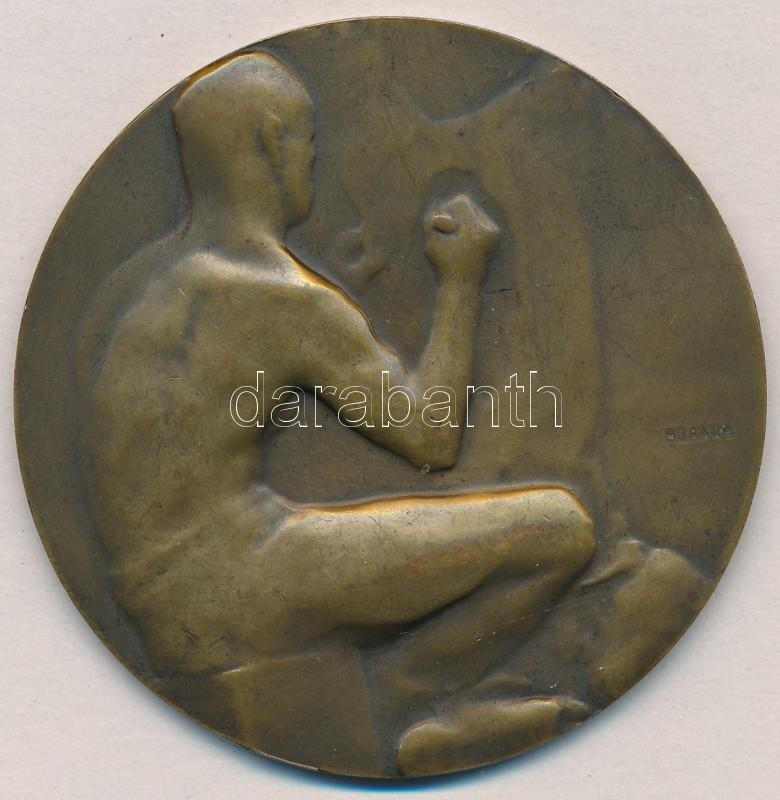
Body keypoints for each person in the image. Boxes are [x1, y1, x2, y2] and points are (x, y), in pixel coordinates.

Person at [79, 51, 595, 775]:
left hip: (154, 604)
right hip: (243, 582)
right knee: (561, 529)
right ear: (271, 143)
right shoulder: (280, 298)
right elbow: (431, 436)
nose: (312, 164)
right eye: (308, 143)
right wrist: (461, 279)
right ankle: (409, 705)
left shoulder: (140, 288)